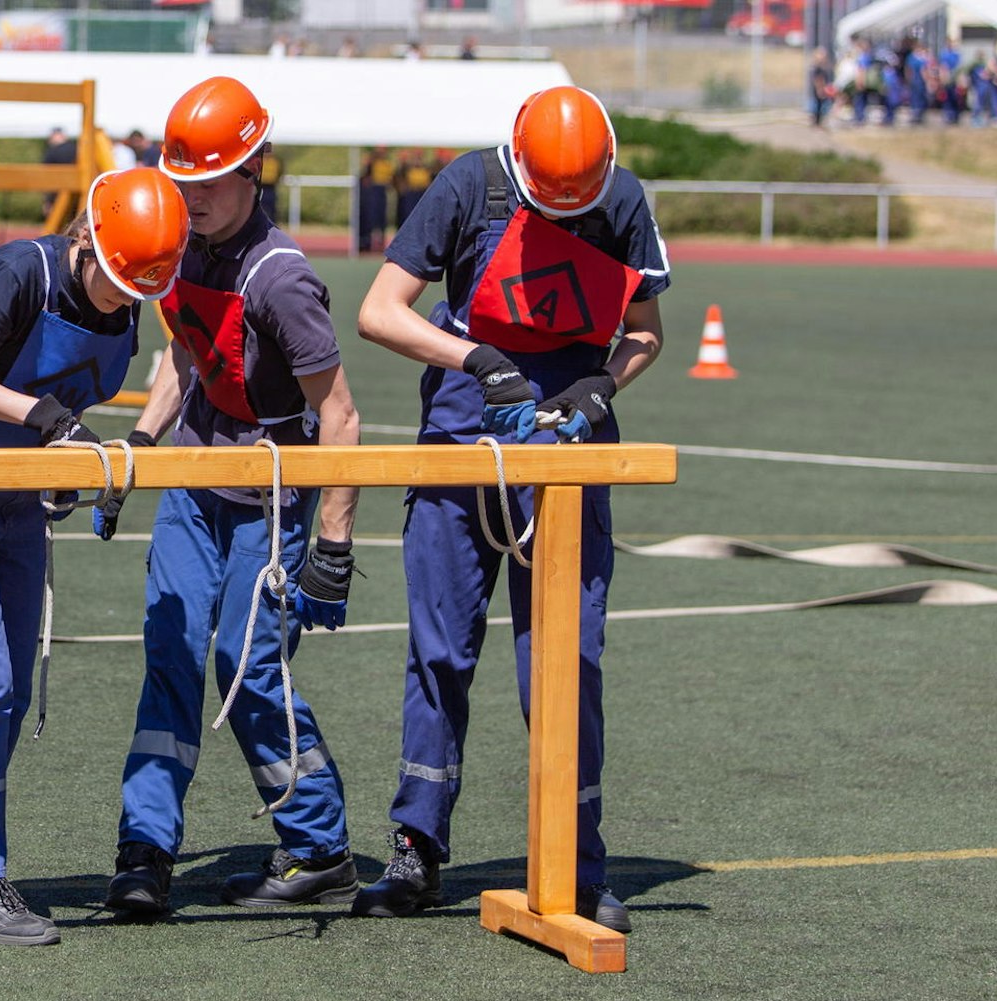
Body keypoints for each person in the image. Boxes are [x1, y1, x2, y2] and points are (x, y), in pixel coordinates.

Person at [353, 85, 669, 934]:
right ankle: (415, 848)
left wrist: (605, 383)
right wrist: (476, 360)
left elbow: (644, 329)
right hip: (461, 456)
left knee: (567, 665)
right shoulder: (467, 187)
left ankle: (573, 860)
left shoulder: (625, 199)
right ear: (520, 164)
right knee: (439, 656)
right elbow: (379, 312)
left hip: (569, 467)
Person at [0, 167, 189, 946]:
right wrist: (47, 416)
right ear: (85, 240)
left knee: (10, 693)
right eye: (118, 282)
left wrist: (66, 469)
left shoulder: (128, 305)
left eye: (140, 292)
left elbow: (146, 377)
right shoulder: (19, 272)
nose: (125, 302)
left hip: (19, 502)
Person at [103, 76, 366, 917]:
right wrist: (138, 451)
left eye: (209, 182)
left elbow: (341, 413)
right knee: (170, 650)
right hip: (192, 485)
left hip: (277, 492)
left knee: (245, 667)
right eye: (182, 181)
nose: (192, 198)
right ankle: (144, 850)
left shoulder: (282, 279)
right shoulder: (178, 247)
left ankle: (320, 847)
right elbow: (185, 358)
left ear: (252, 171)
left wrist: (333, 545)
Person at [357, 146, 396, 254]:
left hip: (382, 191)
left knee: (381, 218)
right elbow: (365, 177)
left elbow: (391, 178)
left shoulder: (387, 163)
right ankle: (366, 242)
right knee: (369, 217)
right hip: (372, 191)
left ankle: (381, 243)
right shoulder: (371, 163)